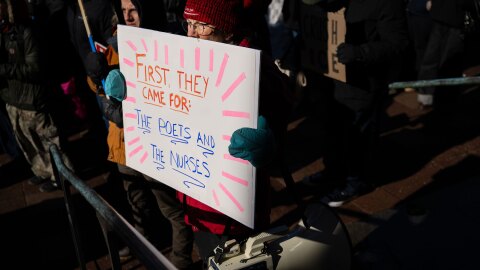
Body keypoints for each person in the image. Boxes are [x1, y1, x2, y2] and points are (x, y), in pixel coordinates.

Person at [179, 0, 292, 263]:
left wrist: (270, 138)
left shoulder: (253, 66)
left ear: (227, 31)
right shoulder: (186, 57)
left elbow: (283, 105)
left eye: (201, 26)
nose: (191, 33)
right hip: (197, 197)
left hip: (234, 208)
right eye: (189, 24)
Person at [85, 0, 194, 268]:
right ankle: (143, 243)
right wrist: (94, 73)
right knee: (137, 201)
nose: (128, 16)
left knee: (172, 209)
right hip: (124, 145)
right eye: (122, 11)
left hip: (154, 145)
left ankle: (179, 261)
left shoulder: (165, 43)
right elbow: (99, 88)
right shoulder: (116, 43)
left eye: (133, 9)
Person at [303, 0, 409, 207]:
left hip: (362, 85)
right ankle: (332, 169)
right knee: (332, 129)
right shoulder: (332, 5)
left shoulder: (385, 4)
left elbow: (399, 43)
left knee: (357, 137)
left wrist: (361, 52)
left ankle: (356, 182)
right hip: (332, 81)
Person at [0, 0, 74, 192]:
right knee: (28, 141)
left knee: (49, 142)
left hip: (33, 101)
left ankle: (63, 177)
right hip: (13, 100)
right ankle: (42, 171)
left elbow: (34, 68)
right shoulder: (4, 34)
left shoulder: (28, 32)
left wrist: (4, 69)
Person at [416, 0, 468, 109]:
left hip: (449, 16)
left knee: (443, 59)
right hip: (443, 15)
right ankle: (432, 95)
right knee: (437, 58)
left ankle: (434, 96)